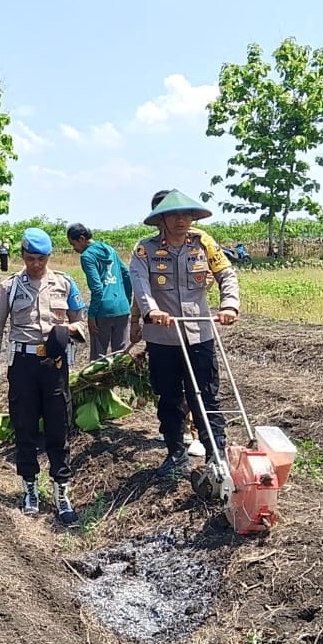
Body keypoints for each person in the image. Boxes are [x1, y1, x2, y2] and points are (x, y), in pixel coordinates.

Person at [129, 189, 240, 479]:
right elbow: (140, 285)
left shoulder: (203, 243)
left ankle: (216, 455)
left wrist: (229, 305)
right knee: (169, 398)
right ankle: (175, 453)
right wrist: (151, 311)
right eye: (175, 214)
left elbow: (226, 274)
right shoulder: (145, 250)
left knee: (206, 396)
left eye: (187, 214)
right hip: (163, 338)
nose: (182, 220)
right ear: (161, 219)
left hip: (199, 334)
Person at [0, 228, 88, 523]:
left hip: (54, 365)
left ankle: (61, 490)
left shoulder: (65, 285)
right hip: (23, 365)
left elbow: (82, 323)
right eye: (29, 259)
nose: (35, 265)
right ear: (22, 256)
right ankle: (30, 487)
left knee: (58, 427)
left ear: (49, 257)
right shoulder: (10, 287)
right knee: (25, 427)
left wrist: (68, 331)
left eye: (40, 259)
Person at [66, 223, 133, 361]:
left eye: (73, 244)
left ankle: (98, 382)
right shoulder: (110, 250)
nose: (74, 249)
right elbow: (126, 274)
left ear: (82, 239)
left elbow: (97, 288)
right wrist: (126, 300)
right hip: (122, 307)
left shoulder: (87, 256)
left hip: (103, 309)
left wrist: (91, 316)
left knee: (99, 356)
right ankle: (118, 381)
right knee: (121, 355)